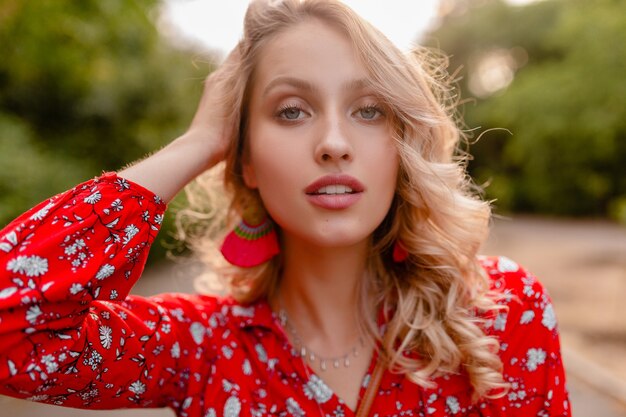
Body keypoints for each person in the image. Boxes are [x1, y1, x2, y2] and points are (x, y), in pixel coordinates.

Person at [0, 0, 570, 416]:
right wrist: (196, 144)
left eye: (369, 110)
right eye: (292, 111)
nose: (334, 142)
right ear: (245, 157)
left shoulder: (500, 316)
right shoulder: (200, 349)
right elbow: (13, 326)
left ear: (403, 146)